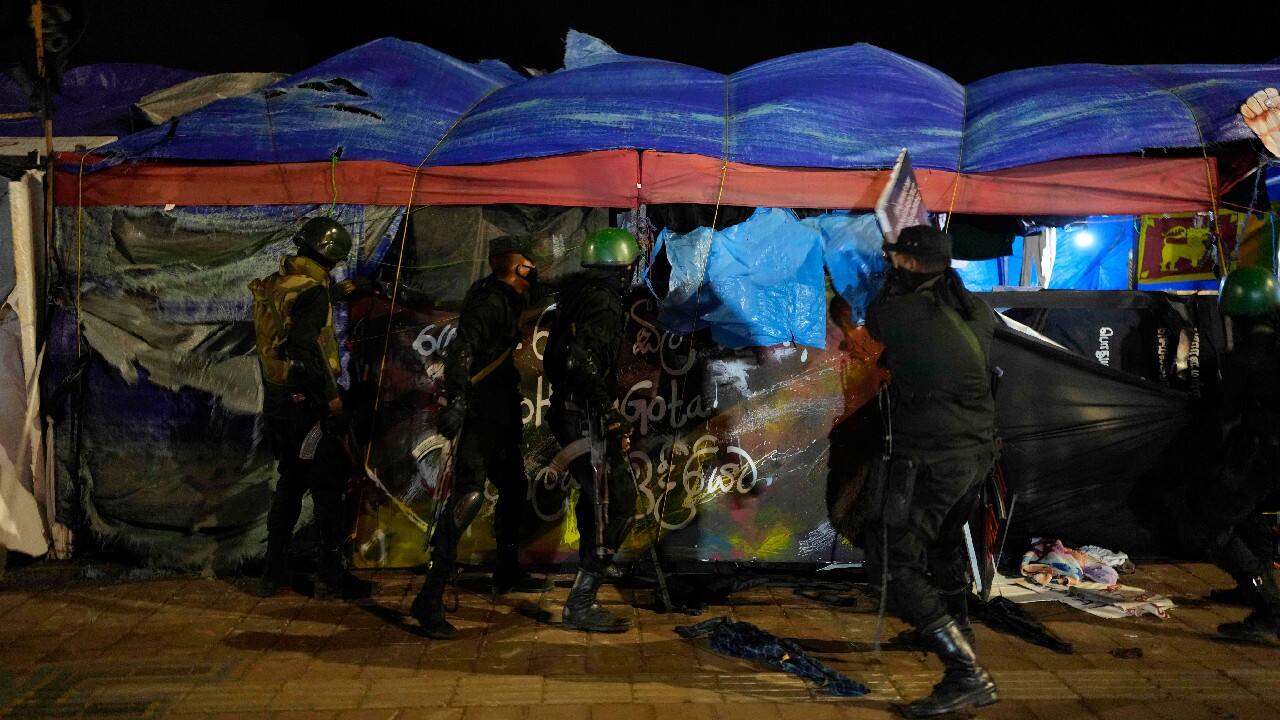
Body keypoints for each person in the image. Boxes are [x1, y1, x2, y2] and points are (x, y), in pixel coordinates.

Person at [863, 224, 999, 717]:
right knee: (942, 543)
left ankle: (964, 673)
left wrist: (888, 280)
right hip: (976, 452)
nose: (890, 264)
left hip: (937, 458)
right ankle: (956, 631)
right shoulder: (973, 308)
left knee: (892, 557)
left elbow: (875, 321)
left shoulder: (904, 313)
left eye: (896, 258)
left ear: (914, 265)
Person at [409, 236, 549, 639]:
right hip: (481, 409)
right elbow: (462, 351)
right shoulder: (489, 302)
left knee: (513, 485)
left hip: (501, 406)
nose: (534, 269)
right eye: (529, 263)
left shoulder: (506, 295)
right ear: (513, 267)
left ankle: (506, 570)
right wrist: (456, 401)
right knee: (468, 496)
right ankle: (429, 597)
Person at [250, 216, 371, 600]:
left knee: (290, 482)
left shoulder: (277, 284)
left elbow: (296, 313)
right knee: (328, 486)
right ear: (333, 257)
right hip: (310, 405)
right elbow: (303, 343)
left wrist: (342, 293)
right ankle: (330, 576)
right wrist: (331, 399)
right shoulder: (313, 294)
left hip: (277, 399)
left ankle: (273, 572)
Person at [543, 227, 641, 633]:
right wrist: (606, 409)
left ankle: (591, 566)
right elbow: (580, 363)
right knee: (616, 500)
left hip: (572, 412)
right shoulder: (603, 303)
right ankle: (581, 602)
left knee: (596, 499)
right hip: (584, 416)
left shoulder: (579, 296)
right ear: (623, 267)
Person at [1183, 266, 1280, 644]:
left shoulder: (1247, 358)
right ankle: (1254, 588)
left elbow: (1226, 417)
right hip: (1270, 459)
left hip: (1263, 454)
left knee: (1210, 524)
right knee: (1249, 514)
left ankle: (1269, 607)